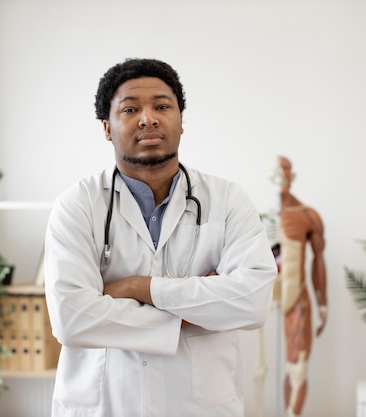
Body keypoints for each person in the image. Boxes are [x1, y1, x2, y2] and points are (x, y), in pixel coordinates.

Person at [44, 58, 277, 417]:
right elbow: (71, 318)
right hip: (106, 406)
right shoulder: (77, 206)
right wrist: (199, 309)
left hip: (199, 407)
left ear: (181, 121)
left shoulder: (227, 200)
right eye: (131, 108)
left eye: (162, 106)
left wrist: (138, 287)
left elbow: (253, 300)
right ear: (107, 128)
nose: (148, 118)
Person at [274, 155, 327, 417]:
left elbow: (319, 261)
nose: (279, 179)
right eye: (275, 174)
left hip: (297, 297)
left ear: (291, 176)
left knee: (297, 366)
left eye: (283, 173)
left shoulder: (307, 216)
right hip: (267, 300)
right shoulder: (259, 217)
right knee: (275, 368)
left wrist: (323, 303)